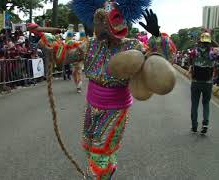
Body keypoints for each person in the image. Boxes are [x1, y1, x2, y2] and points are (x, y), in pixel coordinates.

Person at [29, 0, 176, 178]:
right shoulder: (90, 45)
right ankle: (106, 171)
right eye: (101, 20)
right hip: (92, 105)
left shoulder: (133, 46)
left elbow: (159, 61)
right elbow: (65, 53)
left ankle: (100, 175)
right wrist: (42, 34)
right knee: (90, 145)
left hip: (116, 109)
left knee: (100, 151)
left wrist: (157, 36)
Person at [188, 32, 217, 135]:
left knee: (194, 104)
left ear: (200, 41)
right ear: (209, 42)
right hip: (208, 82)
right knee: (206, 104)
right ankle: (205, 125)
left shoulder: (194, 52)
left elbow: (190, 62)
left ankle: (194, 126)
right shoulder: (213, 53)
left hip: (196, 82)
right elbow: (217, 50)